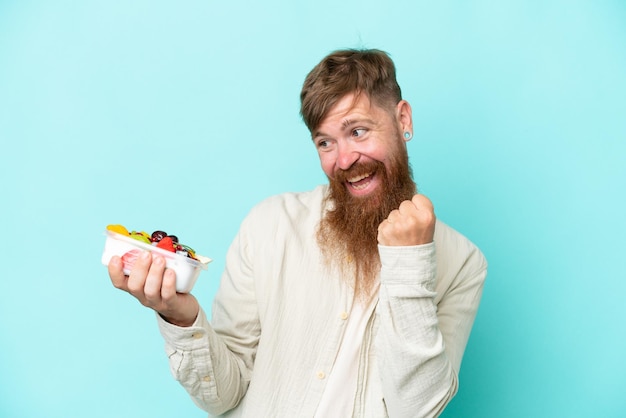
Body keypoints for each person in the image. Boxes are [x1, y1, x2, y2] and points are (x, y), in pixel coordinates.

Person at [108, 48, 487, 418]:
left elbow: (416, 409)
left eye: (357, 131)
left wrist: (410, 262)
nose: (343, 160)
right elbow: (223, 396)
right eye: (325, 142)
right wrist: (180, 316)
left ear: (403, 119)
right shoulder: (269, 225)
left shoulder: (464, 264)